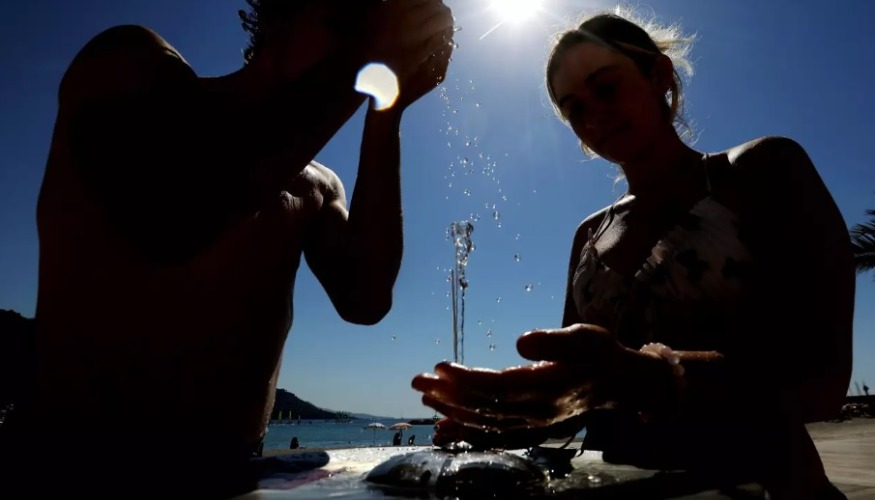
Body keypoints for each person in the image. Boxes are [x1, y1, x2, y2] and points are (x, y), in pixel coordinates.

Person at [4, 0, 454, 497]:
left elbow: (365, 299)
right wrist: (373, 56)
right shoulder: (125, 64)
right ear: (279, 14)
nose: (365, 41)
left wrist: (386, 104)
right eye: (349, 20)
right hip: (66, 468)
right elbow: (176, 217)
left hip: (234, 477)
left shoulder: (316, 186)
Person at [413, 7, 853, 500]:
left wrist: (639, 376)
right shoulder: (589, 235)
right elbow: (579, 395)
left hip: (768, 485)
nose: (592, 115)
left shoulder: (759, 171)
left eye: (606, 87)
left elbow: (823, 380)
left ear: (659, 74)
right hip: (617, 487)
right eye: (573, 108)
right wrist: (502, 419)